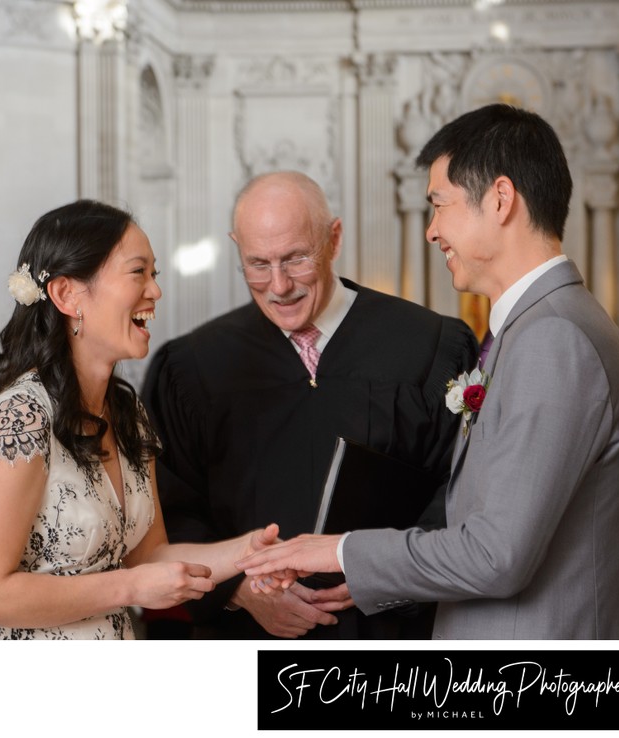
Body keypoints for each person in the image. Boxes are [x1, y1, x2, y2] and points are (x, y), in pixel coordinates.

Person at [238, 105, 619, 640]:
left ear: (500, 199)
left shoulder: (554, 339)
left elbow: (496, 555)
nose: (432, 231)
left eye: (439, 205)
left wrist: (338, 550)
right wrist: (373, 578)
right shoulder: (533, 329)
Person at [142, 170, 478, 639]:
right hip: (247, 646)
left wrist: (381, 577)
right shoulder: (194, 368)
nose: (279, 286)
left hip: (389, 639)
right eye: (257, 263)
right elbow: (166, 513)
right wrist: (239, 589)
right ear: (236, 246)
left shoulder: (429, 346)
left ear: (333, 238)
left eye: (296, 258)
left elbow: (462, 487)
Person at [0, 199, 279, 640]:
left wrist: (248, 552)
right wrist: (127, 587)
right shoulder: (21, 417)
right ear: (67, 294)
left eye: (154, 274)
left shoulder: (128, 414)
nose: (155, 290)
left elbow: (148, 558)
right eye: (137, 272)